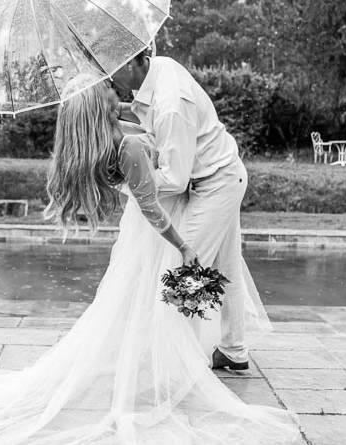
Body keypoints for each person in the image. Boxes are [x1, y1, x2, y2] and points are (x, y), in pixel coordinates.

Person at [0, 74, 300, 445]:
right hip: (169, 211)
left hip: (186, 201)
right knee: (181, 282)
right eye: (105, 88)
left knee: (194, 274)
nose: (113, 87)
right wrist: (181, 238)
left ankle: (224, 348)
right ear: (99, 105)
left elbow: (143, 162)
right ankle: (174, 363)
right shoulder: (132, 137)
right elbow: (162, 192)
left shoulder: (110, 134)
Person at [111, 52, 259, 370]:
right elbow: (159, 136)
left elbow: (175, 180)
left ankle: (179, 363)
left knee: (184, 274)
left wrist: (127, 183)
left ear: (131, 64)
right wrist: (115, 121)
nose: (110, 80)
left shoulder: (170, 105)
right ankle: (234, 349)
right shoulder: (160, 68)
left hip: (216, 184)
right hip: (225, 175)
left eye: (112, 72)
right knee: (226, 267)